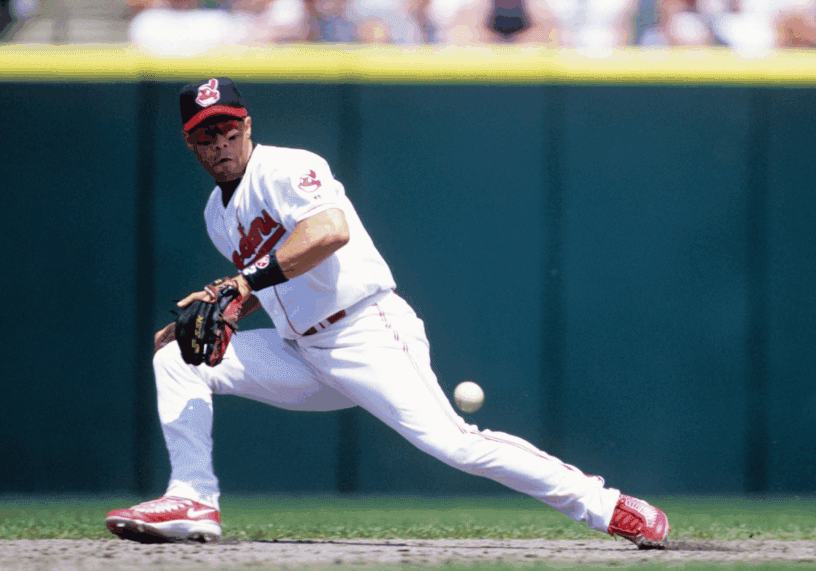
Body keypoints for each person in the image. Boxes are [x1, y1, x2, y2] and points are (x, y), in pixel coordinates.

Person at [105, 78, 670, 549]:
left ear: (248, 126)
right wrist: (230, 304)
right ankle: (195, 500)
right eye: (208, 135)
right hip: (301, 350)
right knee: (179, 359)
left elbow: (328, 232)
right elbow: (273, 273)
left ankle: (607, 504)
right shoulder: (215, 214)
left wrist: (241, 282)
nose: (222, 142)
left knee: (457, 444)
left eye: (230, 129)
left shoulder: (286, 168)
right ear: (192, 146)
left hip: (365, 330)